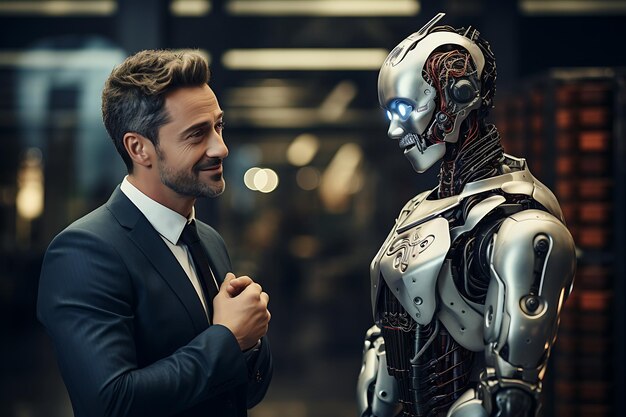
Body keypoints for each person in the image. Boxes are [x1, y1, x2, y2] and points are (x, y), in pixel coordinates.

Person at [356, 13, 576, 417]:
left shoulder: (521, 227)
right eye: (390, 114)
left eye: (404, 109)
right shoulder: (417, 210)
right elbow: (389, 338)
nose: (394, 131)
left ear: (458, 94)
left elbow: (510, 394)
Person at [37, 49, 272, 417]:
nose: (221, 147)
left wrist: (250, 341)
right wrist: (229, 339)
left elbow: (239, 394)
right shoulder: (84, 251)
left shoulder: (208, 238)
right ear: (139, 148)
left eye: (218, 126)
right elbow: (110, 403)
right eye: (197, 134)